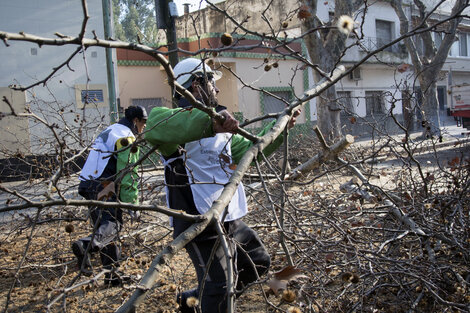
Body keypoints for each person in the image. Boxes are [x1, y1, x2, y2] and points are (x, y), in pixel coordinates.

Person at [144, 58, 299, 312]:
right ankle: (212, 301)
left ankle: (193, 300)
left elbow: (251, 149)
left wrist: (279, 129)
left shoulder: (223, 129)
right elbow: (155, 125)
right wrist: (209, 123)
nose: (216, 90)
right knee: (220, 285)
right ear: (196, 84)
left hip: (229, 218)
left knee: (257, 262)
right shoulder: (176, 126)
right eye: (212, 83)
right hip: (200, 223)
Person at [72, 105, 147, 286]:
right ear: (135, 121)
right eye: (143, 123)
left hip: (88, 182)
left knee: (105, 228)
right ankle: (85, 245)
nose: (144, 127)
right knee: (113, 224)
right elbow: (128, 171)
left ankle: (112, 275)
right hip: (103, 183)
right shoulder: (126, 137)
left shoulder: (110, 130)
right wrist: (132, 203)